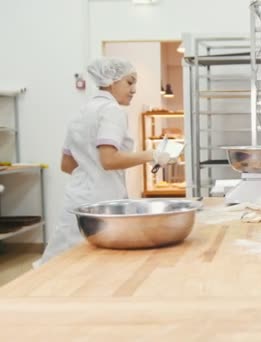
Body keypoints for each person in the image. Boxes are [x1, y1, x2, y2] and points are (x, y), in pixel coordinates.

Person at [36, 57, 171, 265]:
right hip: (103, 204)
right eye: (130, 82)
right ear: (111, 81)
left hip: (76, 200)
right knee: (96, 264)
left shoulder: (81, 112)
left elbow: (67, 165)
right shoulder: (112, 111)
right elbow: (109, 160)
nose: (134, 89)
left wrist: (91, 171)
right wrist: (151, 154)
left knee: (60, 263)